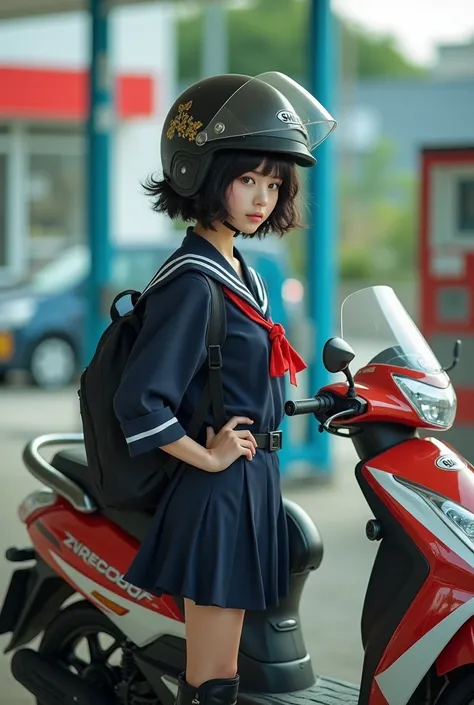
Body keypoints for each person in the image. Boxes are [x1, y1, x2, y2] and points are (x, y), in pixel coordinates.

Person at [113, 72, 336, 705]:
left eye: (274, 183)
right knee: (212, 679)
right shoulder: (192, 280)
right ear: (203, 175)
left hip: (254, 482)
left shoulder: (239, 271)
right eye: (248, 180)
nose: (263, 197)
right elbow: (141, 399)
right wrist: (208, 454)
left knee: (231, 671)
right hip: (219, 491)